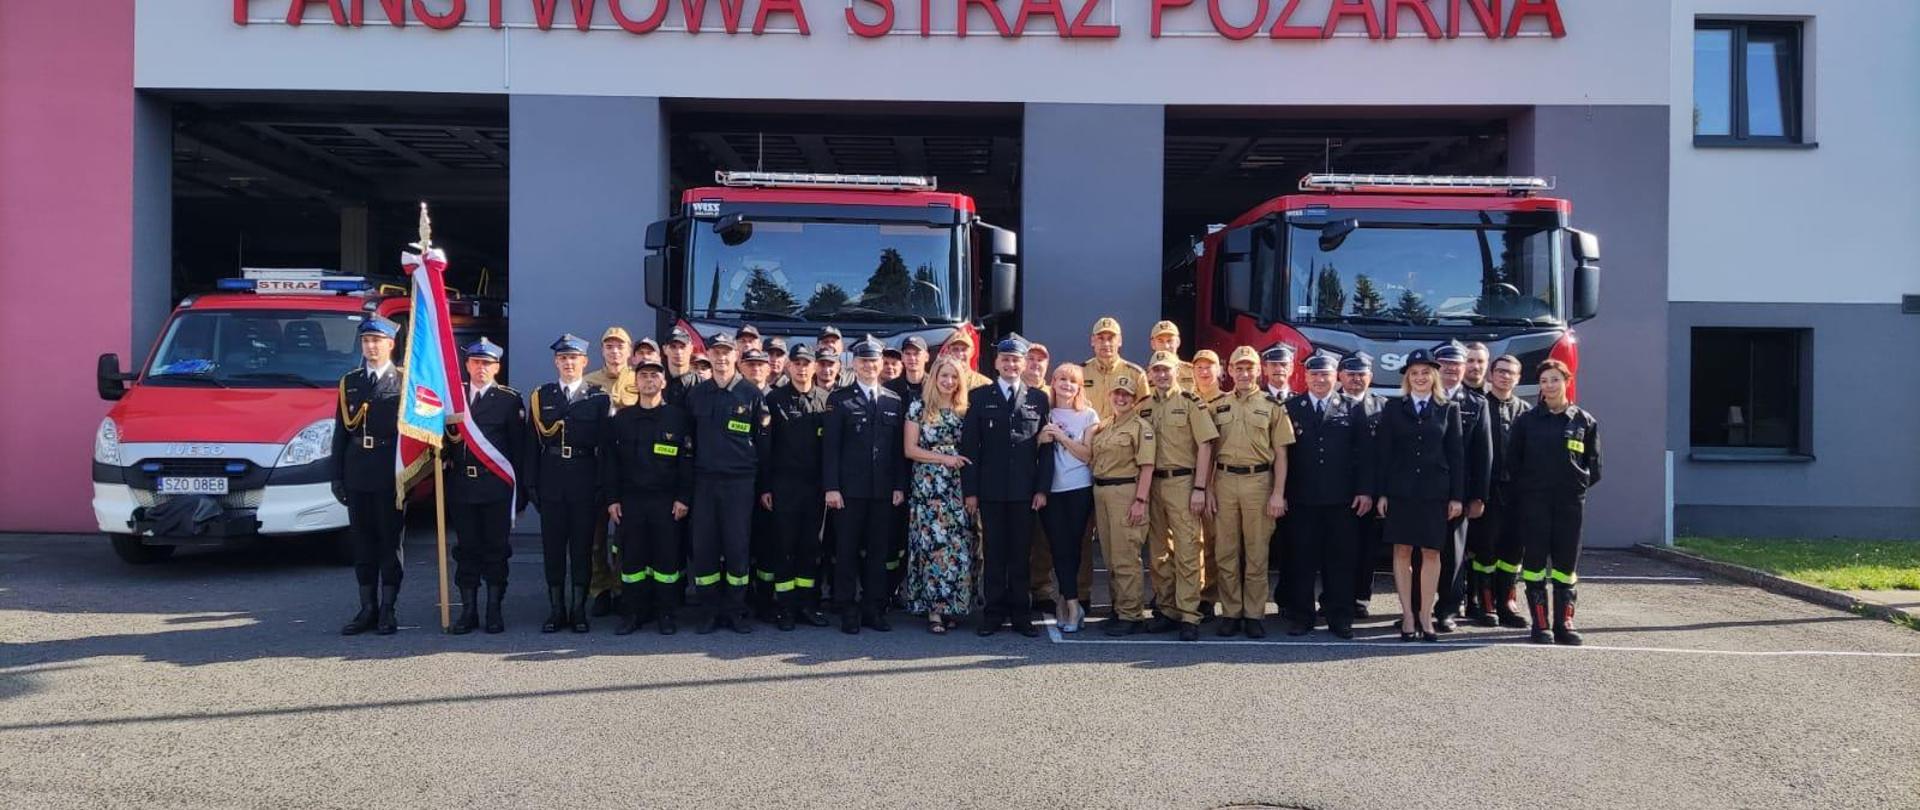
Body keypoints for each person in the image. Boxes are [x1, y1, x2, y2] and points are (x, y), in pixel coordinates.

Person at [961, 335, 1054, 637]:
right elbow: (970, 448)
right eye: (1006, 359)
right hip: (990, 491)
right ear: (997, 362)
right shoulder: (979, 396)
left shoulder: (1039, 399)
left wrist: (1042, 489)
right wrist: (970, 491)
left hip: (1024, 492)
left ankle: (1020, 614)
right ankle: (993, 613)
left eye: (1016, 359)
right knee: (994, 553)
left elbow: (1046, 450)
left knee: (1020, 554)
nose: (1011, 364)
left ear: (1024, 363)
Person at [1509, 359, 1602, 646]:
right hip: (1535, 503)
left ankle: (1565, 623)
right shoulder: (1526, 421)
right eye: (1544, 381)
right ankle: (1540, 624)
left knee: (1565, 565)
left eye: (1555, 380)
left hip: (1569, 504)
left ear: (1567, 381)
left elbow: (1594, 468)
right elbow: (1514, 462)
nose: (1549, 386)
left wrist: (1573, 486)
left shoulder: (1583, 421)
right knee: (1535, 563)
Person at [1374, 348, 1464, 643]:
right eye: (1414, 373)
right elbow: (1384, 454)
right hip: (1400, 492)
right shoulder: (1393, 408)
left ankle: (1426, 615)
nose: (1420, 377)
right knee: (1401, 551)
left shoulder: (1448, 408)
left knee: (1431, 553)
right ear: (1407, 378)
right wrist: (1382, 493)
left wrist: (1456, 497)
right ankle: (1408, 616)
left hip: (1434, 493)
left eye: (1426, 372)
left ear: (1434, 376)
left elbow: (1456, 455)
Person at [527, 334, 613, 633]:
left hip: (585, 479)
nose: (568, 363)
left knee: (581, 548)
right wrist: (531, 484)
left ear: (584, 362)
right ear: (556, 362)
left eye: (573, 358)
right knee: (552, 549)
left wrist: (603, 486)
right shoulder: (542, 396)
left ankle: (578, 610)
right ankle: (556, 609)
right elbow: (531, 444)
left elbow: (606, 447)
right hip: (551, 479)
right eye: (563, 358)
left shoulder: (598, 397)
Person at [1282, 355, 1373, 638]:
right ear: (1305, 377)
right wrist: (1280, 494)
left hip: (1341, 500)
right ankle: (1301, 616)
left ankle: (1340, 616)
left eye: (1326, 374)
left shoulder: (1351, 408)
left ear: (1336, 377)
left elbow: (1364, 454)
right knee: (1302, 560)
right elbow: (1282, 456)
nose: (1320, 380)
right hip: (1302, 499)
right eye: (1315, 374)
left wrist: (1365, 490)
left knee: (1340, 561)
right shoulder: (1291, 408)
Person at [685, 332, 770, 634]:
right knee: (705, 546)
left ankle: (735, 610)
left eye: (726, 352)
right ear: (708, 355)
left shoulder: (751, 394)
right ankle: (709, 610)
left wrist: (764, 488)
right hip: (704, 481)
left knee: (737, 547)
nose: (721, 358)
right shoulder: (696, 395)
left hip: (739, 483)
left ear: (736, 355)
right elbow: (687, 443)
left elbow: (764, 446)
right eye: (715, 353)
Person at [823, 336, 908, 633]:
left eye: (874, 360)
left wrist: (899, 485)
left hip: (883, 492)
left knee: (878, 551)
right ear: (854, 364)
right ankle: (847, 607)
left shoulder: (893, 401)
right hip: (849, 492)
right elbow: (830, 449)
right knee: (846, 551)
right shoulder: (840, 399)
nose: (870, 366)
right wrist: (831, 487)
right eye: (864, 360)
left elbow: (899, 450)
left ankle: (873, 607)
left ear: (881, 363)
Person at [602, 356, 693, 635]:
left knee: (666, 562)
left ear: (663, 382)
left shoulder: (678, 418)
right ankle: (633, 613)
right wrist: (612, 498)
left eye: (655, 376)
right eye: (644, 376)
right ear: (636, 381)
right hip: (631, 501)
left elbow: (687, 461)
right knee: (633, 562)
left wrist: (683, 497)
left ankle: (666, 613)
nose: (649, 380)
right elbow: (610, 462)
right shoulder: (623, 420)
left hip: (666, 502)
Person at [1206, 346, 1293, 638]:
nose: (1244, 374)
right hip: (1224, 481)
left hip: (1259, 483)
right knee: (1226, 551)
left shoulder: (1272, 406)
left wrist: (1278, 493)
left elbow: (1281, 454)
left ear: (1259, 371)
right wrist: (1206, 489)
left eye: (1249, 368)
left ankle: (1254, 614)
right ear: (1229, 371)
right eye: (1238, 368)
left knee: (1257, 552)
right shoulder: (1217, 405)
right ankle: (1231, 612)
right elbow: (1208, 451)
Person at [331, 316, 406, 636]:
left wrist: (411, 477)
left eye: (377, 341)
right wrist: (336, 476)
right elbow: (340, 433)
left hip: (391, 470)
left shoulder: (405, 382)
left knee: (390, 543)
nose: (371, 347)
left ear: (391, 344)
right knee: (362, 543)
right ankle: (367, 607)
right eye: (366, 342)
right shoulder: (350, 382)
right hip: (357, 468)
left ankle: (389, 608)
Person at [445, 337, 525, 635]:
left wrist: (522, 493)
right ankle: (468, 611)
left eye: (487, 363)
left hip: (496, 488)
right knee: (466, 550)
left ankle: (494, 610)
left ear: (497, 367)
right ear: (467, 365)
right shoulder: (454, 398)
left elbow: (518, 449)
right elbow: (441, 442)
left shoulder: (508, 399)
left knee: (496, 549)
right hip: (462, 486)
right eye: (477, 362)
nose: (481, 368)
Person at [1141, 350, 1219, 641]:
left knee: (1187, 550)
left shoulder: (1190, 402)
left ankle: (1189, 614)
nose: (1162, 375)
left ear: (1177, 371)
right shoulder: (1145, 406)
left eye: (1167, 369)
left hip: (1183, 483)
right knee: (1158, 551)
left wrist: (1200, 487)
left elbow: (1206, 446)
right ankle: (1167, 608)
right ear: (1150, 374)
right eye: (1157, 370)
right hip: (1154, 485)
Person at [759, 343, 832, 629]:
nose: (802, 368)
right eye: (797, 363)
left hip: (814, 489)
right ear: (789, 367)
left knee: (810, 547)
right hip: (783, 486)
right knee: (784, 547)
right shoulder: (774, 400)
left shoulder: (827, 400)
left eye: (807, 363)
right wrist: (766, 487)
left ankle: (807, 605)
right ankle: (786, 607)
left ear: (815, 367)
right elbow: (766, 448)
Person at [903, 357, 975, 633]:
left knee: (957, 547)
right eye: (944, 376)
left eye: (954, 377)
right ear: (934, 377)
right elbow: (910, 449)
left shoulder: (965, 410)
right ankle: (933, 611)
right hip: (928, 486)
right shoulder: (919, 408)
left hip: (957, 488)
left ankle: (953, 607)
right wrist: (942, 459)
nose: (948, 382)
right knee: (931, 546)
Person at [1084, 372, 1156, 636]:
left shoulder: (1140, 427)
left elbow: (1147, 466)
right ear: (1110, 396)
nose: (1121, 398)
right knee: (1112, 558)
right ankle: (1119, 608)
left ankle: (1132, 614)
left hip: (1126, 492)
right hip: (1102, 492)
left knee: (1126, 557)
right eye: (1117, 393)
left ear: (1135, 399)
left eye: (1127, 395)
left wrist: (1140, 500)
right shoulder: (1105, 425)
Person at [1431, 341, 1493, 632]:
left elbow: (1484, 455)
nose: (1451, 370)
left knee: (1453, 556)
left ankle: (1447, 610)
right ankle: (1419, 607)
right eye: (1445, 364)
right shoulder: (1422, 399)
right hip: (1424, 492)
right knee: (1421, 553)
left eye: (1456, 365)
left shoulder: (1476, 404)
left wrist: (1479, 496)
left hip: (1460, 492)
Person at [1469, 354, 1533, 628]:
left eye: (1511, 373)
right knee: (1485, 549)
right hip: (1489, 490)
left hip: (1518, 493)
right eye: (1501, 371)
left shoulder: (1527, 412)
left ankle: (1507, 601)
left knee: (1513, 551)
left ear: (1518, 379)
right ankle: (1485, 603)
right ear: (1491, 375)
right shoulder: (1479, 407)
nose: (1505, 376)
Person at [1036, 363, 1098, 632]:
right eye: (1061, 379)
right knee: (1057, 546)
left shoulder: (1088, 415)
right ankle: (1067, 600)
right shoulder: (1043, 412)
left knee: (1073, 548)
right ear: (1053, 382)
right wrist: (1040, 439)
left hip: (1078, 488)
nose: (1066, 385)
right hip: (1051, 489)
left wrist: (1060, 436)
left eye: (1072, 381)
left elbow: (1087, 454)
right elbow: (1031, 449)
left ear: (1079, 387)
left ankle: (1070, 603)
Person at [583, 327, 638, 620]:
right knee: (595, 537)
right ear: (602, 351)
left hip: (628, 471)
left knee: (624, 536)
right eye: (609, 347)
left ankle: (620, 588)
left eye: (620, 347)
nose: (615, 352)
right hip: (596, 468)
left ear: (629, 351)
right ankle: (600, 589)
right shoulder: (589, 382)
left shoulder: (639, 379)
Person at [1340, 353, 1389, 618]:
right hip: (1337, 490)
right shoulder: (1331, 403)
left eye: (1362, 374)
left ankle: (1360, 597)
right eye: (1351, 373)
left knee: (1366, 548)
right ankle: (1334, 596)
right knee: (1336, 548)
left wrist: (1374, 491)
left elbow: (1385, 456)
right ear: (1340, 376)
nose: (1356, 379)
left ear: (1370, 377)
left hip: (1369, 490)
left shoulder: (1383, 407)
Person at [1082, 317, 1145, 421]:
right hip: (1089, 435)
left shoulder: (1136, 374)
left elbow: (1144, 413)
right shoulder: (1080, 372)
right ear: (1092, 341)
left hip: (1121, 435)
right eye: (1101, 338)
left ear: (1120, 341)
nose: (1106, 344)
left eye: (1111, 338)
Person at [1149, 321, 1196, 392]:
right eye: (1160, 341)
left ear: (1178, 342)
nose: (1166, 346)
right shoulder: (1144, 376)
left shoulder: (1192, 372)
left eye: (1169, 341)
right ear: (1153, 344)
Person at [888, 335, 930, 409]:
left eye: (916, 354)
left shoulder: (934, 386)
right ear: (902, 357)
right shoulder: (889, 388)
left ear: (926, 357)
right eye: (908, 353)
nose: (912, 358)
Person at [663, 327, 701, 405]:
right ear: (665, 349)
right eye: (673, 347)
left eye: (682, 347)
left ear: (691, 349)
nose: (678, 352)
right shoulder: (656, 384)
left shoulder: (702, 386)